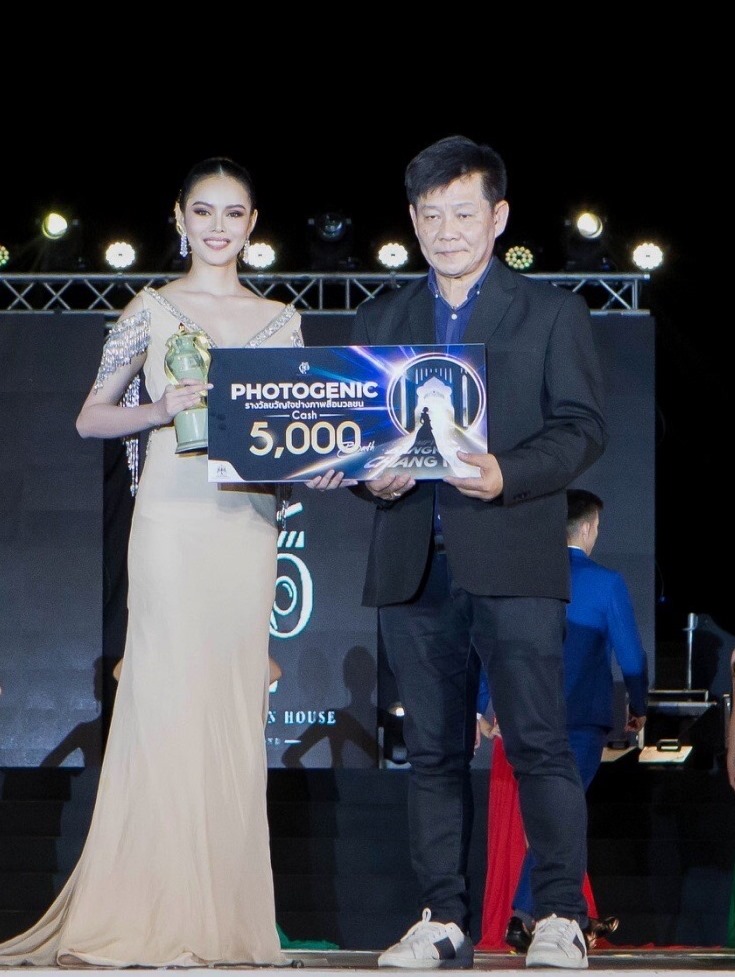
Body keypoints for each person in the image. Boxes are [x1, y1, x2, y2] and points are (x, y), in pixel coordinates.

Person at [0, 157, 303, 967]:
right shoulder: (151, 309)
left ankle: (223, 917)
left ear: (252, 222)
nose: (217, 226)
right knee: (164, 702)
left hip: (247, 527)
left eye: (232, 212)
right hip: (170, 522)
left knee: (232, 709)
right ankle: (149, 908)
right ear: (179, 217)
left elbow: (294, 430)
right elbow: (89, 418)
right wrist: (159, 408)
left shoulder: (280, 320)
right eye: (203, 211)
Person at [349, 135, 608, 969]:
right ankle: (442, 918)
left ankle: (559, 914)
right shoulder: (379, 319)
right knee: (430, 752)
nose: (446, 230)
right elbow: (357, 441)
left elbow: (582, 427)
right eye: (431, 215)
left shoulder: (551, 313)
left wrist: (505, 472)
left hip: (513, 556)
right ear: (412, 220)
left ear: (497, 217)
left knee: (536, 742)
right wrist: (369, 479)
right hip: (412, 563)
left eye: (463, 213)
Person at [486, 488, 649, 952]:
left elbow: (495, 641)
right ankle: (527, 915)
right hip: (579, 721)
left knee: (553, 813)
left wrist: (486, 705)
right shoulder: (606, 582)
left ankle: (559, 914)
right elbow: (631, 655)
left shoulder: (526, 576)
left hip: (529, 715)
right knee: (563, 815)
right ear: (589, 528)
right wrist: (639, 706)